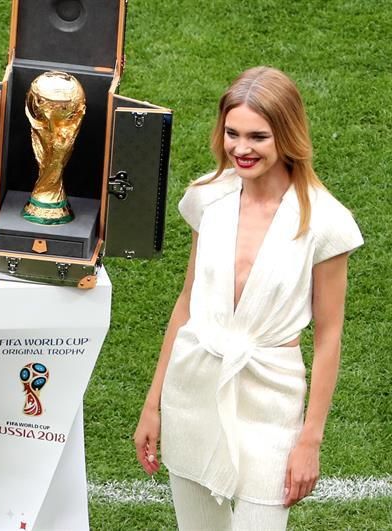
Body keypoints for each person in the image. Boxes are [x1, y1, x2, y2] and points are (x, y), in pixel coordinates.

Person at [133, 66, 363, 530]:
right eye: (232, 133)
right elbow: (187, 303)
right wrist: (152, 405)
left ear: (287, 135)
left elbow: (329, 335)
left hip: (272, 400)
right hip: (193, 388)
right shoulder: (206, 197)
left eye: (257, 136)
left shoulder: (325, 222)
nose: (240, 148)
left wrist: (309, 440)